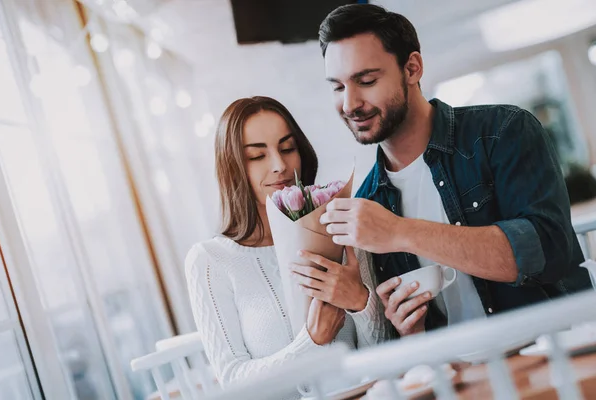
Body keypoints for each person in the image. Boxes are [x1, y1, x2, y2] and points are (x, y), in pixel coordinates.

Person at [304, 3, 590, 338]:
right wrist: (410, 330)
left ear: (412, 68)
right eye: (337, 87)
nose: (350, 103)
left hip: (557, 354)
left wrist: (400, 231)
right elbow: (406, 339)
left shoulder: (503, 131)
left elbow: (547, 251)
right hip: (460, 379)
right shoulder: (368, 202)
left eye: (366, 80)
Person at [185, 96, 388, 398]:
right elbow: (234, 382)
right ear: (232, 167)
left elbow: (383, 361)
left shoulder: (340, 227)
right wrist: (310, 341)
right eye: (257, 156)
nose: (280, 165)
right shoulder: (210, 260)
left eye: (287, 148)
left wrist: (361, 302)